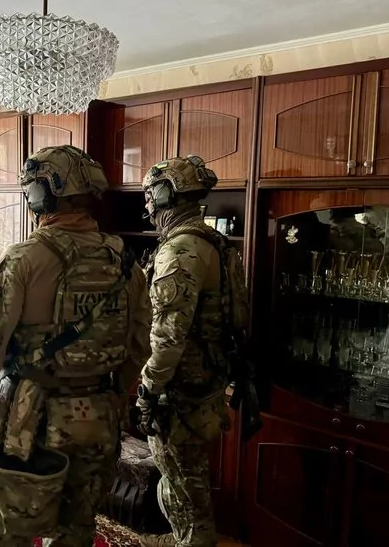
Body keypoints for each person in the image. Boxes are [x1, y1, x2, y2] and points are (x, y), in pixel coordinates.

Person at [0, 145, 152, 547]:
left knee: (0, 533)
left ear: (41, 195)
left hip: (30, 426)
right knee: (75, 532)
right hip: (100, 423)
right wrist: (106, 393)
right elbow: (140, 344)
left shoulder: (24, 259)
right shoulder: (127, 263)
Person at [135, 156, 242, 547]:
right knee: (188, 476)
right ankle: (187, 537)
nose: (147, 205)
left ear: (167, 195)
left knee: (180, 480)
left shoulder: (180, 251)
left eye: (151, 195)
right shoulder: (213, 242)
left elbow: (168, 336)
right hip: (206, 381)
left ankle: (192, 541)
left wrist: (147, 390)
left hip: (179, 390)